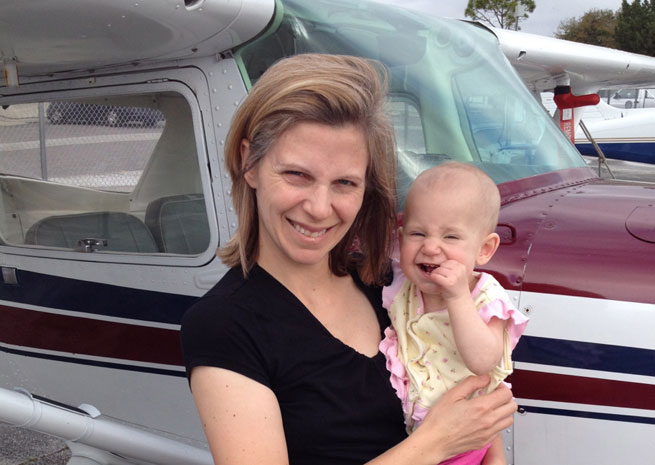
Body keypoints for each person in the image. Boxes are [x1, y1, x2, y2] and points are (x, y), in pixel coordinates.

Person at [181, 53, 517, 465]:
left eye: (344, 183)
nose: (320, 208)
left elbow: (468, 390)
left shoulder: (388, 282)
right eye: (297, 175)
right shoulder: (224, 326)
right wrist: (434, 443)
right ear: (250, 162)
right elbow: (449, 431)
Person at [379, 162, 529, 465]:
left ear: (484, 249)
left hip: (466, 440)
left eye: (450, 237)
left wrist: (458, 297)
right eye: (418, 233)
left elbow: (485, 360)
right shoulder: (401, 285)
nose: (431, 247)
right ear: (401, 236)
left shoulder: (484, 297)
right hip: (415, 438)